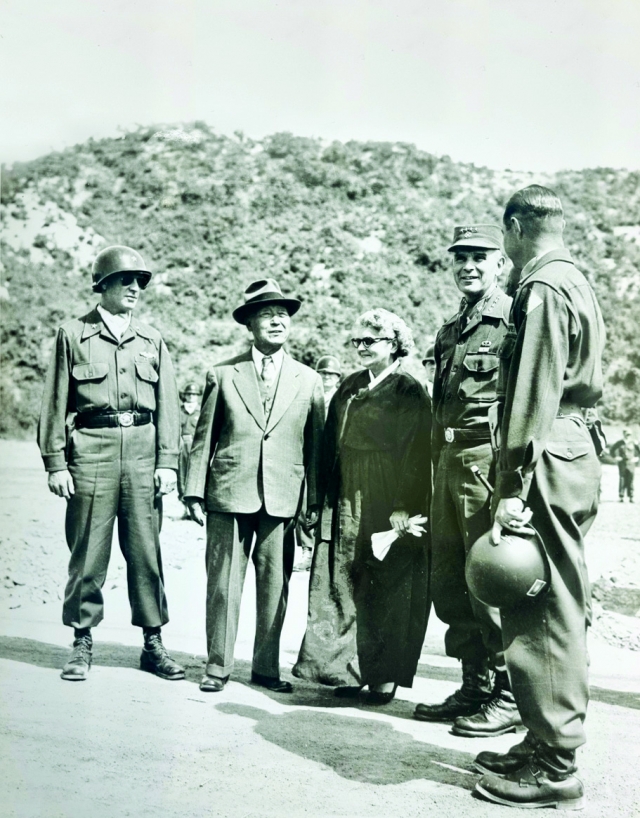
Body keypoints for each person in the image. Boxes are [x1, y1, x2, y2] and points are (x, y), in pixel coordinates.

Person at [474, 186, 605, 810]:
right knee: (548, 600)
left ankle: (554, 764)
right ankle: (540, 738)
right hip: (569, 447)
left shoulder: (544, 287)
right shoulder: (573, 278)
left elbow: (532, 391)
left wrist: (512, 487)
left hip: (546, 453)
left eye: (504, 235)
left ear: (515, 226)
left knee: (543, 606)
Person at [37, 245, 184, 682]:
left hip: (142, 452)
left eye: (140, 281)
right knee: (87, 551)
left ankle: (153, 642)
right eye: (125, 280)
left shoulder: (152, 339)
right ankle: (82, 641)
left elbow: (168, 405)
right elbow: (53, 402)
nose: (135, 288)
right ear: (102, 286)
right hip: (91, 451)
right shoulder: (72, 334)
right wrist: (55, 463)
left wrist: (168, 462)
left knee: (146, 552)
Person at [184, 279, 325, 694]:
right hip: (229, 493)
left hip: (283, 497)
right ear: (249, 324)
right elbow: (203, 436)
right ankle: (217, 665)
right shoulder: (223, 374)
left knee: (275, 586)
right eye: (267, 313)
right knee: (223, 584)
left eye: (283, 313)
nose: (277, 319)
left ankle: (266, 668)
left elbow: (315, 448)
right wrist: (194, 492)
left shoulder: (309, 380)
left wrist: (312, 502)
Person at [293, 308, 431, 705]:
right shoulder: (350, 385)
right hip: (345, 493)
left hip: (386, 497)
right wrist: (317, 501)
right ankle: (344, 669)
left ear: (394, 345)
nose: (362, 347)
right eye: (357, 341)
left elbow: (418, 453)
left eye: (371, 340)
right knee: (342, 578)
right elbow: (325, 445)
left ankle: (383, 679)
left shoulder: (409, 390)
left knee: (384, 585)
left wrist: (404, 505)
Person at [414, 225, 520, 737]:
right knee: (450, 578)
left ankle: (508, 693)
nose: (469, 266)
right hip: (449, 461)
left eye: (479, 257)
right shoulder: (451, 327)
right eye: (460, 259)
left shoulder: (512, 319)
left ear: (500, 262)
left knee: (489, 578)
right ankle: (474, 682)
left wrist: (510, 481)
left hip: (486, 463)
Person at [293, 354, 344, 572]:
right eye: (323, 373)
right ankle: (306, 550)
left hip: (333, 459)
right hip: (311, 458)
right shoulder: (309, 396)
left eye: (331, 374)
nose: (326, 378)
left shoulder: (341, 400)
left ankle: (325, 555)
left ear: (338, 378)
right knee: (305, 504)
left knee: (331, 506)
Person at [177, 383, 202, 516]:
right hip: (182, 444)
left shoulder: (202, 411)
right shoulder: (179, 410)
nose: (191, 397)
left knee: (196, 474)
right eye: (189, 394)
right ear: (184, 395)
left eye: (194, 394)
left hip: (196, 445)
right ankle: (185, 508)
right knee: (182, 475)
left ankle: (197, 507)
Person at [610, 429, 639, 502]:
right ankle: (621, 497)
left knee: (630, 479)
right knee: (622, 479)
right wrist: (615, 457)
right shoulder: (620, 443)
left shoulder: (634, 443)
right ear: (624, 434)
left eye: (629, 434)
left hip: (631, 463)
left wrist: (637, 458)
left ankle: (631, 497)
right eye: (627, 434)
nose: (628, 436)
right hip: (622, 463)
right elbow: (612, 450)